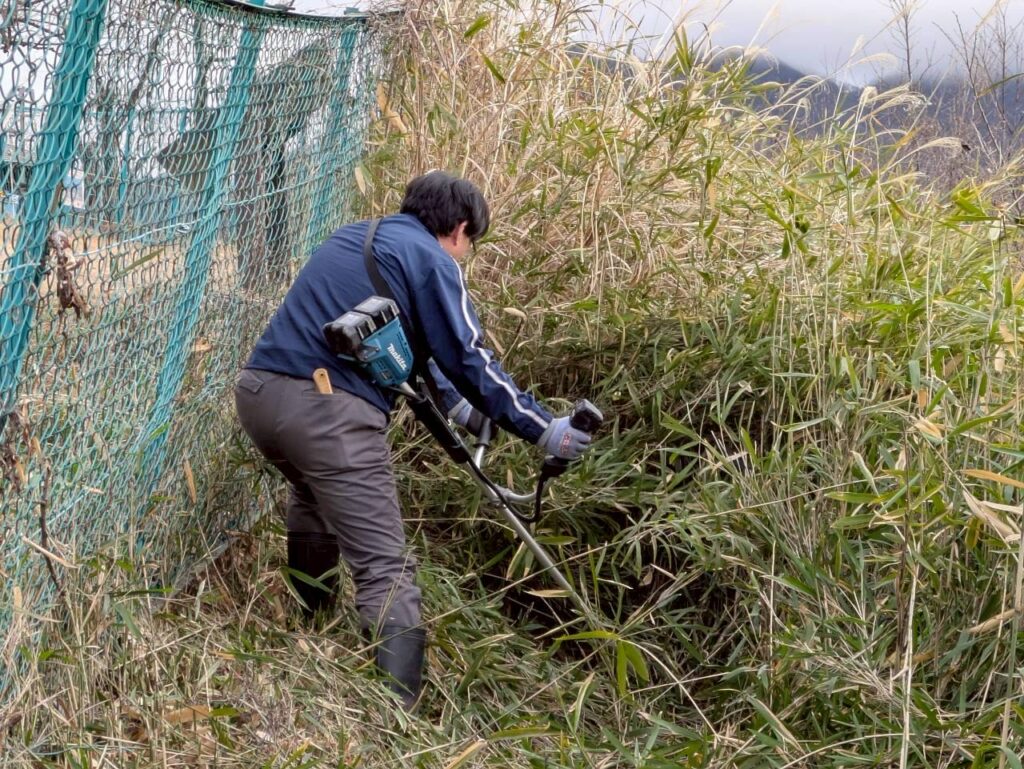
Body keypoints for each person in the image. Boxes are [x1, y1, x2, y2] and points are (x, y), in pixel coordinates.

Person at [233, 171, 594, 710]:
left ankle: (309, 629)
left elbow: (408, 351)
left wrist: (462, 410)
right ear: (460, 228)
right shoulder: (431, 259)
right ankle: (396, 722)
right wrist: (542, 429)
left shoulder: (354, 237)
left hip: (259, 395)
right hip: (327, 410)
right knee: (385, 567)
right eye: (471, 244)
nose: (466, 254)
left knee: (313, 499)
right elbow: (470, 355)